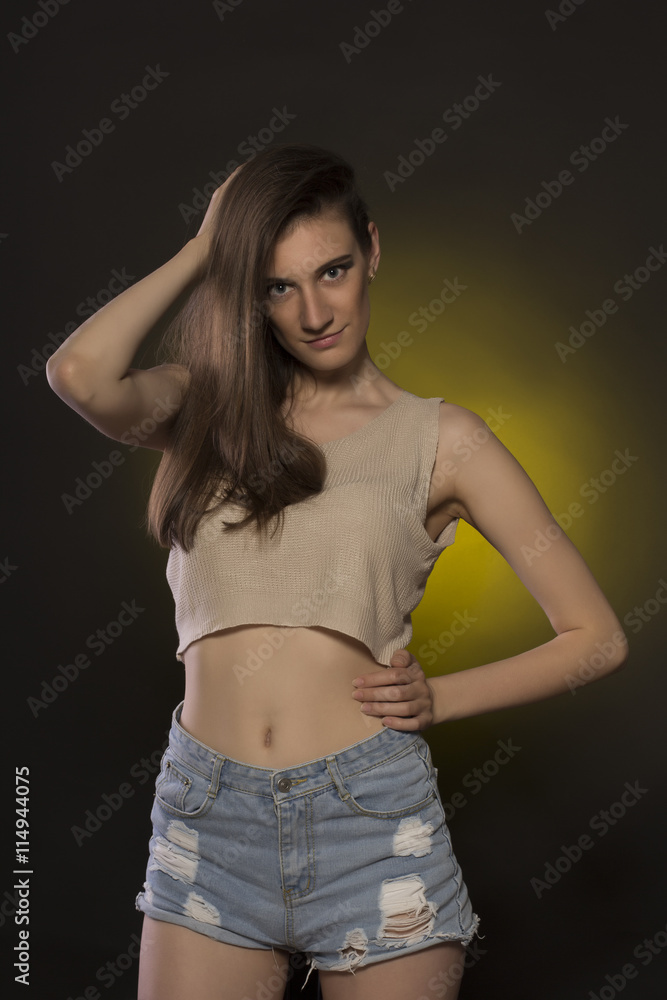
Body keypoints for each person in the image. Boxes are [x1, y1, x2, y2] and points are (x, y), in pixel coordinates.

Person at [46, 143, 629, 1000]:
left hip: (371, 824)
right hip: (209, 819)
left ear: (372, 253)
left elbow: (597, 638)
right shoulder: (202, 408)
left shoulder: (445, 440)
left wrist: (441, 699)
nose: (314, 309)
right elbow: (78, 375)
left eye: (333, 271)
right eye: (278, 285)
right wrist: (209, 245)